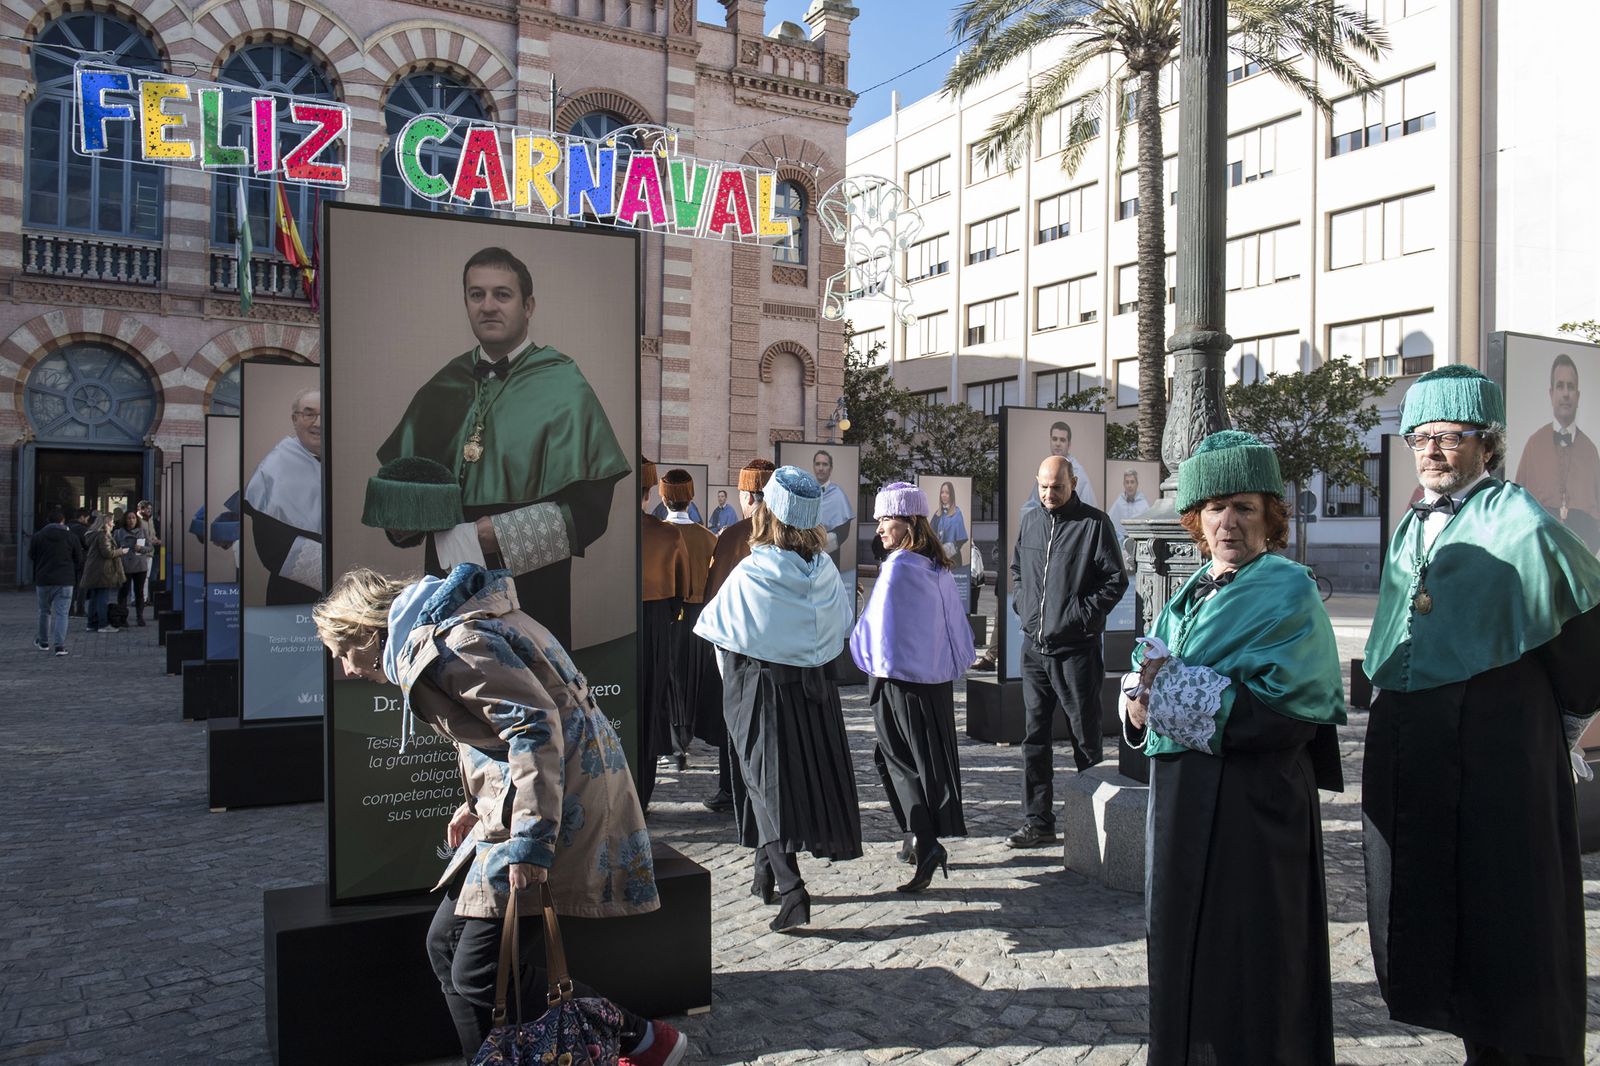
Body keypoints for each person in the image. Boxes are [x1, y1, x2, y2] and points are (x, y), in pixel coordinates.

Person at [312, 564, 687, 1066]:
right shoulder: (441, 634)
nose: (347, 670)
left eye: (342, 654)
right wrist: (474, 804)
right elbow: (493, 731)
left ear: (366, 632)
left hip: (555, 802)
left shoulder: (455, 641)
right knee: (446, 947)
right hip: (534, 795)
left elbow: (532, 728)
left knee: (477, 971)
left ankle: (638, 1038)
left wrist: (531, 842)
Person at [1364, 365, 1600, 1065]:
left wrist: (1558, 728)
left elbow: (1583, 632)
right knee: (1447, 907)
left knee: (1509, 913)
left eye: (1451, 438)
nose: (1433, 451)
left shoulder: (1521, 520)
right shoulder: (1412, 523)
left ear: (1486, 445)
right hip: (1428, 754)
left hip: (1502, 753)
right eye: (1422, 437)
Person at [1121, 430, 1346, 1065]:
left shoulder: (1289, 590)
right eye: (1215, 508)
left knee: (1251, 961)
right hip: (1181, 802)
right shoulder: (1192, 587)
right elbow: (1148, 668)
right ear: (1196, 518)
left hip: (1254, 808)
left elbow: (1287, 711)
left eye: (1244, 507)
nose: (1228, 522)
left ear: (1270, 516)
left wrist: (1157, 696)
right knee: (1181, 954)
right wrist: (1139, 699)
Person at [369, 245, 631, 650]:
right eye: (477, 295)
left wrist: (495, 535)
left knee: (534, 704)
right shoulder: (442, 385)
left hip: (532, 591)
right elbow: (404, 508)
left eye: (502, 294)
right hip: (447, 593)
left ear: (528, 306)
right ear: (466, 302)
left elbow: (590, 511)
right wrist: (403, 520)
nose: (488, 306)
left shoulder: (564, 385)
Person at [693, 465, 862, 931]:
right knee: (783, 782)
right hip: (814, 691)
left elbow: (718, 632)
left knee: (764, 786)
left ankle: (792, 889)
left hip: (761, 689)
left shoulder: (756, 569)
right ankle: (765, 873)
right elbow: (837, 625)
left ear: (769, 512)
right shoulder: (823, 567)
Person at [850, 483, 974, 892]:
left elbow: (875, 631)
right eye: (880, 518)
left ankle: (925, 841)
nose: (880, 527)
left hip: (897, 681)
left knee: (898, 760)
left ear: (909, 523)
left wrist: (860, 648)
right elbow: (953, 625)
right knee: (921, 762)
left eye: (888, 519)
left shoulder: (899, 567)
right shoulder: (935, 566)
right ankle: (917, 837)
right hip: (933, 682)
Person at [1005, 455, 1126, 849]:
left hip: (1076, 652)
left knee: (1085, 740)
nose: (1048, 493)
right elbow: (1019, 568)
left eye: (1056, 486)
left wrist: (1078, 618)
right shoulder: (1031, 520)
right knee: (1034, 739)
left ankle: (1092, 826)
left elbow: (1114, 580)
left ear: (1073, 482)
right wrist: (1023, 606)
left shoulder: (1094, 524)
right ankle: (1038, 820)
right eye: (1043, 485)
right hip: (1034, 649)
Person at [697, 458, 775, 814]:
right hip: (778, 646)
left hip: (737, 648)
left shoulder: (732, 536)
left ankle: (732, 789)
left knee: (735, 720)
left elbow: (714, 593)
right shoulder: (789, 534)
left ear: (746, 495)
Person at [638, 458, 689, 811]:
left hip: (607, 621)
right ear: (647, 492)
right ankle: (642, 793)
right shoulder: (667, 533)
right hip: (654, 621)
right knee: (650, 704)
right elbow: (680, 591)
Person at [243, 387, 324, 604]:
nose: (317, 423)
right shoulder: (272, 469)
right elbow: (272, 547)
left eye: (324, 414)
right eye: (309, 414)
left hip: (351, 601)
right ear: (295, 419)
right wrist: (338, 568)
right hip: (295, 597)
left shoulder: (350, 461)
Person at [660, 469, 717, 771]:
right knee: (693, 675)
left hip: (666, 615)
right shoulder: (709, 538)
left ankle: (673, 739)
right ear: (691, 497)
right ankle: (688, 733)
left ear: (663, 497)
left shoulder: (657, 535)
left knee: (670, 677)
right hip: (699, 615)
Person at [1514, 352, 1600, 550]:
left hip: (1579, 554)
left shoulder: (1590, 451)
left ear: (1578, 396)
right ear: (1551, 393)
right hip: (1541, 550)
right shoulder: (1534, 445)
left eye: (1571, 387)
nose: (1566, 393)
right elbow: (1518, 506)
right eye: (1560, 386)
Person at [30, 507, 82, 657]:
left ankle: (43, 642)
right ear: (62, 521)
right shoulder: (71, 537)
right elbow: (78, 559)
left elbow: (32, 555)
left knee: (44, 611)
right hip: (65, 580)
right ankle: (59, 646)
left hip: (43, 578)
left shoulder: (38, 536)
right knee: (62, 613)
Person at [1020, 421, 1098, 521]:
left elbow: (1089, 511)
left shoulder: (1078, 472)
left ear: (1069, 444)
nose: (1057, 444)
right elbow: (1031, 506)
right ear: (1050, 441)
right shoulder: (1045, 470)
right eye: (1054, 439)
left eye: (1062, 440)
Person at [80, 511, 128, 634]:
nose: (113, 524)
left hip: (94, 570)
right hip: (103, 571)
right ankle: (103, 624)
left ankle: (92, 623)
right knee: (102, 598)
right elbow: (107, 553)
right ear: (106, 523)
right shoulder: (103, 536)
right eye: (111, 521)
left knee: (94, 598)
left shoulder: (93, 535)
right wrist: (121, 551)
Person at [811, 449, 855, 568]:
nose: (821, 468)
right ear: (813, 466)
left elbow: (843, 531)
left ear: (831, 468)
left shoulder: (838, 494)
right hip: (805, 557)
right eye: (818, 464)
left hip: (830, 558)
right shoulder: (806, 492)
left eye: (825, 464)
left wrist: (820, 547)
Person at [113, 508, 152, 626]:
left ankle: (140, 617)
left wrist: (142, 549)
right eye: (129, 518)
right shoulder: (118, 532)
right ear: (125, 520)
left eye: (134, 518)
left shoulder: (142, 531)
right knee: (123, 591)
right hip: (125, 565)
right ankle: (122, 617)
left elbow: (150, 548)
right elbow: (114, 549)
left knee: (139, 592)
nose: (131, 520)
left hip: (140, 565)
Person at [1106, 468, 1151, 543]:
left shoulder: (1143, 504)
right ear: (1124, 484)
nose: (1129, 485)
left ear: (1137, 484)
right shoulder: (1119, 502)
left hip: (1139, 541)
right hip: (1121, 542)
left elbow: (1148, 526)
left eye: (1132, 482)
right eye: (1127, 482)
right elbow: (1110, 522)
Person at [134, 500, 161, 605]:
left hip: (149, 551)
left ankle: (144, 598)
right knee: (139, 576)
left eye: (150, 509)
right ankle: (137, 598)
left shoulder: (150, 520)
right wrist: (152, 540)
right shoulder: (137, 520)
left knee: (146, 576)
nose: (149, 511)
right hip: (141, 551)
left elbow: (152, 534)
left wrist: (155, 540)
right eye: (147, 509)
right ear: (141, 509)